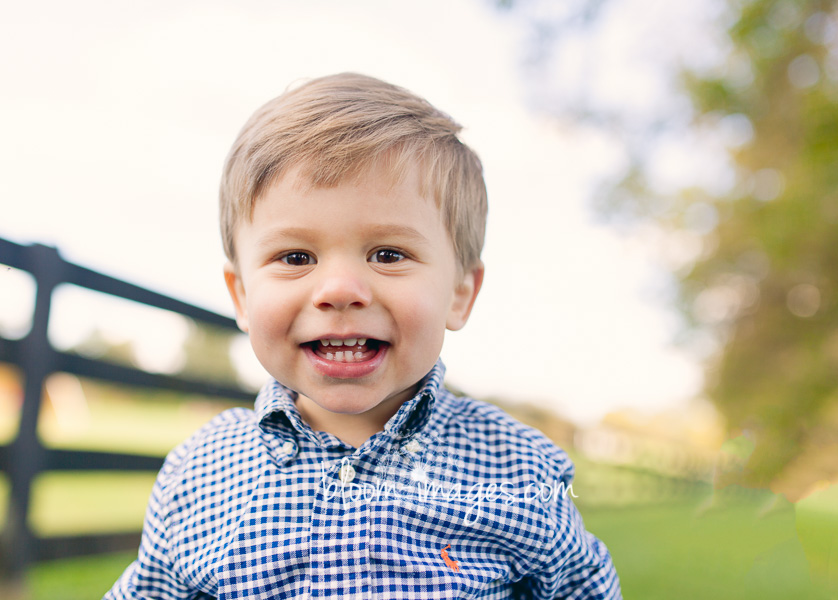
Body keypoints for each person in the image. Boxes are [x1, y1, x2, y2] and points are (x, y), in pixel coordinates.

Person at [106, 73, 621, 599]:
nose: (340, 290)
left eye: (388, 255)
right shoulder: (198, 473)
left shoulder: (519, 471)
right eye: (295, 257)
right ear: (241, 295)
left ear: (460, 293)